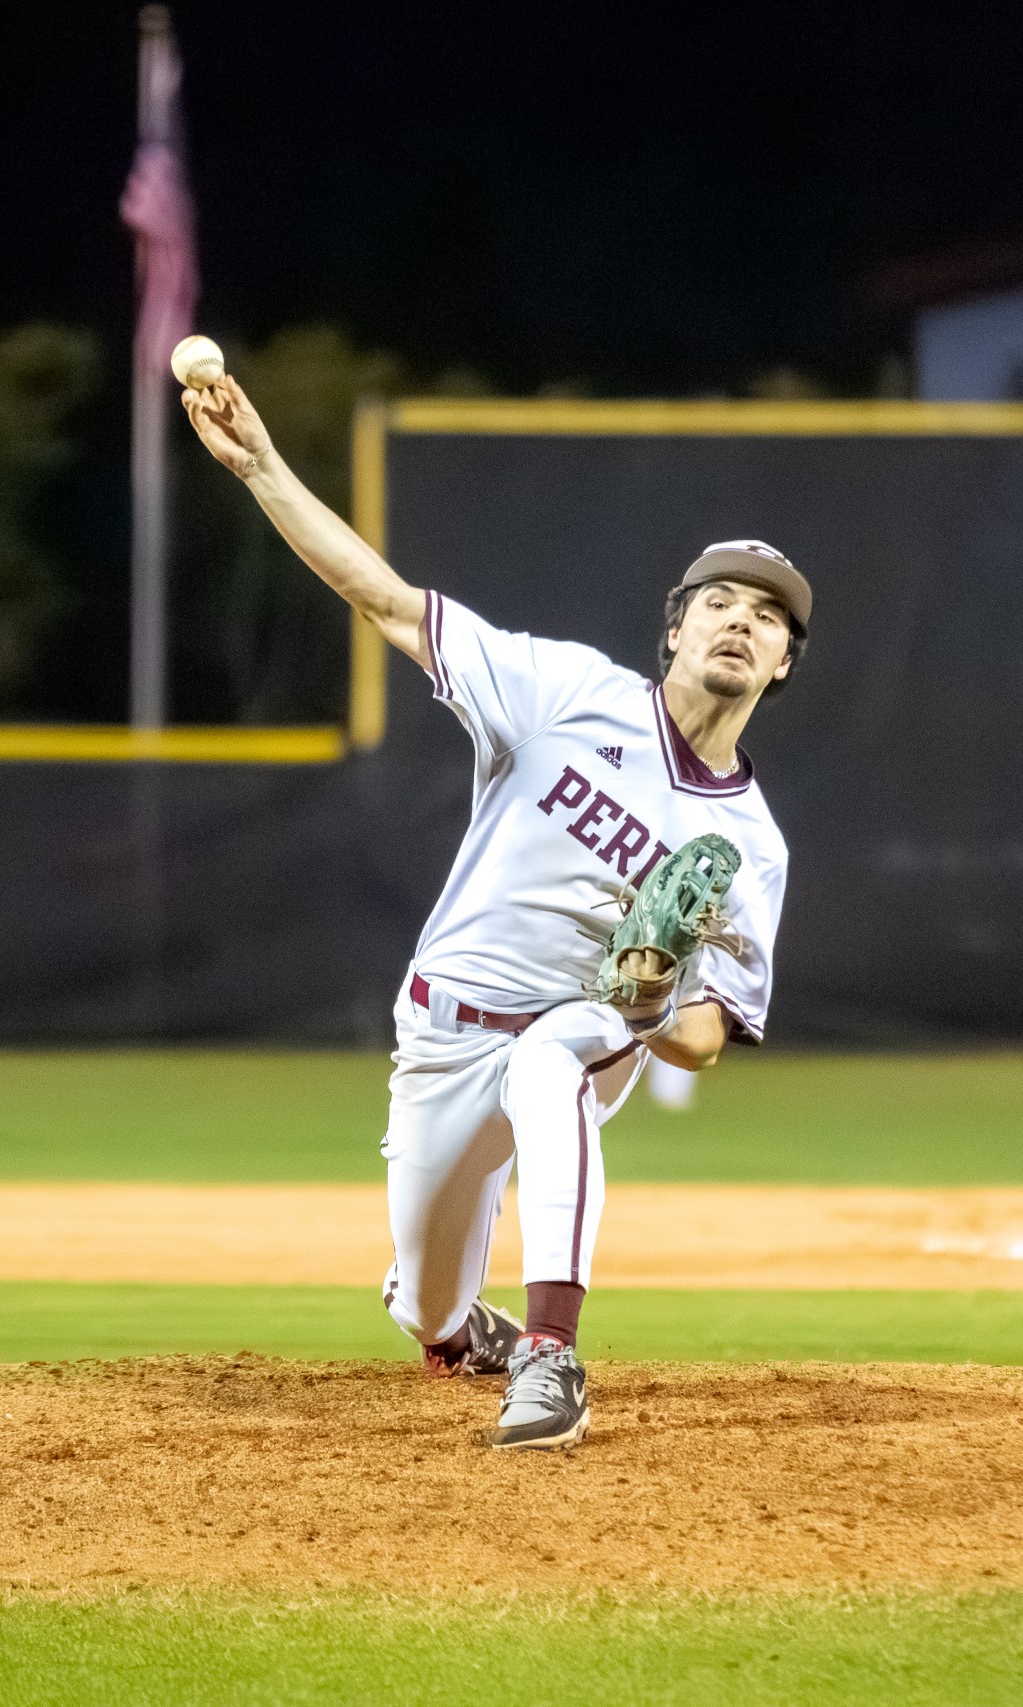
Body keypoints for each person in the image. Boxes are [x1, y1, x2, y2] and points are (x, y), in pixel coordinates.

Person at [183, 373, 801, 1449]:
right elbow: (385, 601)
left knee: (549, 1059)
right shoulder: (561, 690)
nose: (740, 622)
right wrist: (263, 469)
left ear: (784, 663)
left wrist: (653, 1007)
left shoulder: (753, 842)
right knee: (424, 1306)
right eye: (719, 602)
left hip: (581, 1028)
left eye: (768, 617)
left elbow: (711, 1033)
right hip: (443, 1028)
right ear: (674, 629)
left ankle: (552, 1357)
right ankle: (462, 1326)